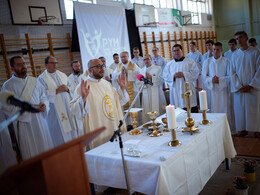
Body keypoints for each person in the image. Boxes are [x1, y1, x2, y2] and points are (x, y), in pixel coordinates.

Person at [1, 56, 53, 160]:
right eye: (19, 64)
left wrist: (44, 104)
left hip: (40, 120)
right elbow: (7, 107)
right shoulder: (8, 85)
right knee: (30, 151)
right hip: (24, 124)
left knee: (44, 148)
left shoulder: (34, 81)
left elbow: (43, 96)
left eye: (24, 63)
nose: (23, 66)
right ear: (12, 68)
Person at [70, 59, 129, 149]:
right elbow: (75, 110)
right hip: (98, 132)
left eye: (102, 66)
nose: (102, 69)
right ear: (89, 70)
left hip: (112, 126)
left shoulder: (106, 84)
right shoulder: (83, 86)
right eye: (98, 66)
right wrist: (83, 99)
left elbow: (118, 101)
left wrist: (122, 89)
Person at [38, 56, 78, 147]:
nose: (55, 65)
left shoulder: (62, 75)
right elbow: (41, 95)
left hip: (67, 107)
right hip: (54, 111)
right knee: (60, 134)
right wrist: (56, 91)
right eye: (52, 63)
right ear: (46, 65)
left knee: (72, 130)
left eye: (56, 63)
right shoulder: (42, 78)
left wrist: (67, 89)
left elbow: (72, 88)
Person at [230, 31, 260, 137]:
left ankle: (255, 130)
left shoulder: (256, 52)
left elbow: (259, 71)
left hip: (252, 89)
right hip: (240, 89)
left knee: (254, 110)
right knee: (240, 111)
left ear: (246, 38)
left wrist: (251, 85)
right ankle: (242, 130)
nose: (239, 40)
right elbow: (232, 73)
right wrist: (239, 86)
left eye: (241, 37)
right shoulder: (234, 55)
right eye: (237, 39)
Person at [163, 44, 199, 112]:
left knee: (190, 108)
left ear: (181, 51)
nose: (176, 52)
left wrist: (184, 74)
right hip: (175, 91)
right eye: (174, 51)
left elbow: (195, 73)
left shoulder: (190, 62)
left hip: (187, 89)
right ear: (172, 52)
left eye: (178, 50)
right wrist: (173, 76)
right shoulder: (169, 64)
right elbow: (165, 76)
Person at [202, 42, 231, 118]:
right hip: (212, 90)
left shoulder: (226, 61)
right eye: (214, 49)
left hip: (223, 91)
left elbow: (230, 76)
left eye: (217, 49)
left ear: (221, 50)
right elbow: (204, 77)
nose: (215, 51)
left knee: (224, 108)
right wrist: (211, 79)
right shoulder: (207, 62)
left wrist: (220, 80)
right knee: (213, 109)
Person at [140, 54, 166, 123]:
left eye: (148, 59)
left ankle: (159, 123)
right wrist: (145, 80)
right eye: (144, 59)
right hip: (146, 93)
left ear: (151, 59)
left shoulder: (158, 68)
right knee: (147, 110)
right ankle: (149, 124)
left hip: (156, 92)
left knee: (157, 108)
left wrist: (152, 78)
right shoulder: (141, 71)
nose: (146, 61)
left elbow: (161, 79)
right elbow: (139, 83)